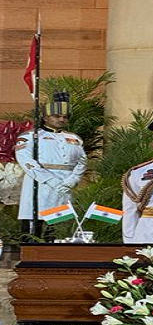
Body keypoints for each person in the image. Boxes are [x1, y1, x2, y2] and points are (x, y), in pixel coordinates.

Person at [16, 92, 87, 236]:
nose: (61, 119)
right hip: (39, 185)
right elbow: (26, 161)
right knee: (35, 225)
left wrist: (72, 180)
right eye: (57, 116)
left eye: (65, 117)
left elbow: (82, 161)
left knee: (59, 227)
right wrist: (51, 180)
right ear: (45, 117)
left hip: (66, 185)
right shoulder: (30, 137)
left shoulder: (74, 138)